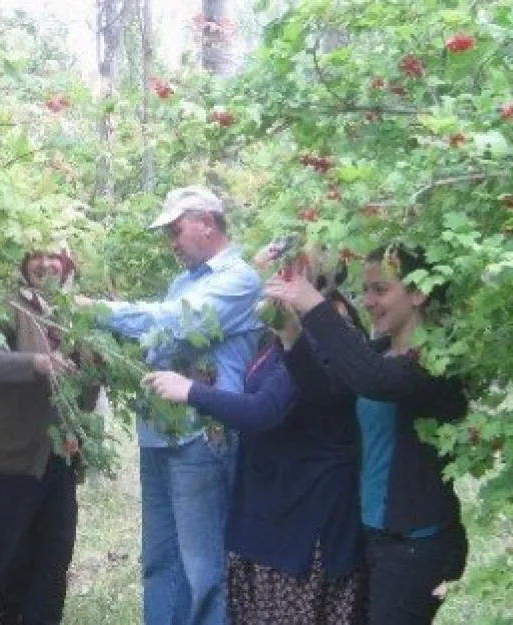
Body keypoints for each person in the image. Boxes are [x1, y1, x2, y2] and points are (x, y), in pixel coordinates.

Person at [143, 244, 367, 625]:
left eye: (293, 265)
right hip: (274, 504)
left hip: (306, 514)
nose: (280, 272)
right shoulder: (285, 325)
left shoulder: (328, 327)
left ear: (319, 274)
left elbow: (267, 410)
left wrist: (191, 391)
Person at [76, 186, 263, 625]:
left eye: (175, 231)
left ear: (207, 223)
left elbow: (177, 323)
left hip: (203, 437)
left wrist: (99, 310)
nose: (171, 244)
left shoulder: (239, 279)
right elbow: (155, 343)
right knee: (160, 561)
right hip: (159, 435)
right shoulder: (185, 280)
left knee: (204, 568)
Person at [264, 244, 469, 625]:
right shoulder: (381, 351)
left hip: (415, 544)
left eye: (380, 289)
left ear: (418, 292)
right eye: (366, 290)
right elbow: (325, 390)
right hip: (375, 534)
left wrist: (315, 305)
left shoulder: (437, 362)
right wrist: (292, 335)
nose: (368, 301)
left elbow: (374, 380)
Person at [0, 250, 101, 625]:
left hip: (56, 462)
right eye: (38, 255)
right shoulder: (2, 304)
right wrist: (35, 363)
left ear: (68, 265)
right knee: (1, 573)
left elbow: (88, 385)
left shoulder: (75, 316)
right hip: (1, 460)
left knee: (51, 568)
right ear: (22, 262)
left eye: (57, 257)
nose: (47, 264)